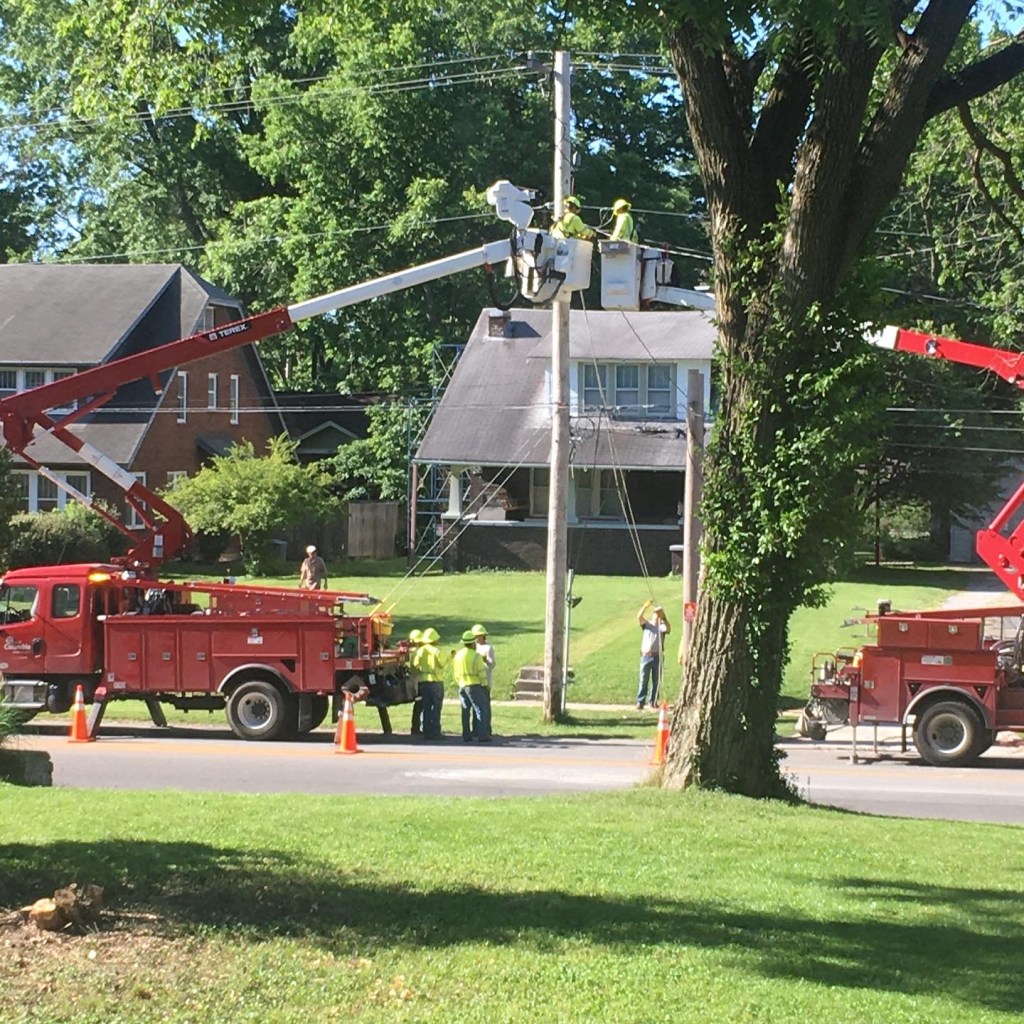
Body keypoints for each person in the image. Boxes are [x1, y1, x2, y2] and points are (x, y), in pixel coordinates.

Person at [453, 628, 491, 742]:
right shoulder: (476, 656)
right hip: (474, 685)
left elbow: (455, 673)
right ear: (473, 643)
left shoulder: (458, 655)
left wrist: (460, 682)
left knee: (465, 711)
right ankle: (483, 736)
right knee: (480, 710)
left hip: (462, 685)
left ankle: (466, 735)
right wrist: (485, 684)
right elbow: (481, 673)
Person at [413, 627, 448, 740]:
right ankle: (435, 732)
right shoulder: (437, 651)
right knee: (436, 708)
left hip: (423, 682)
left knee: (426, 707)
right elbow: (442, 664)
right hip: (436, 682)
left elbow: (415, 664)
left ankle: (426, 731)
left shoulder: (420, 651)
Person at [636, 599, 670, 710]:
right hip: (646, 656)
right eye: (655, 614)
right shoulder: (647, 624)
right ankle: (640, 702)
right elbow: (639, 617)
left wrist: (664, 617)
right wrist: (645, 607)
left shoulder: (662, 627)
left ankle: (653, 702)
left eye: (658, 614)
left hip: (657, 657)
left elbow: (669, 628)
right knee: (643, 680)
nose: (657, 616)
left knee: (656, 681)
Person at [407, 629, 424, 735]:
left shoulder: (412, 651)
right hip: (419, 680)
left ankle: (415, 727)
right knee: (420, 705)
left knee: (418, 706)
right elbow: (419, 666)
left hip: (415, 681)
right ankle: (416, 728)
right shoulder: (418, 652)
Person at [471, 623, 496, 689]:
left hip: (485, 679)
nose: (476, 638)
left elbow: (492, 665)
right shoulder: (473, 647)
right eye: (474, 636)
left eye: (478, 636)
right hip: (475, 679)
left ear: (483, 635)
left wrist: (485, 660)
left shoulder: (488, 648)